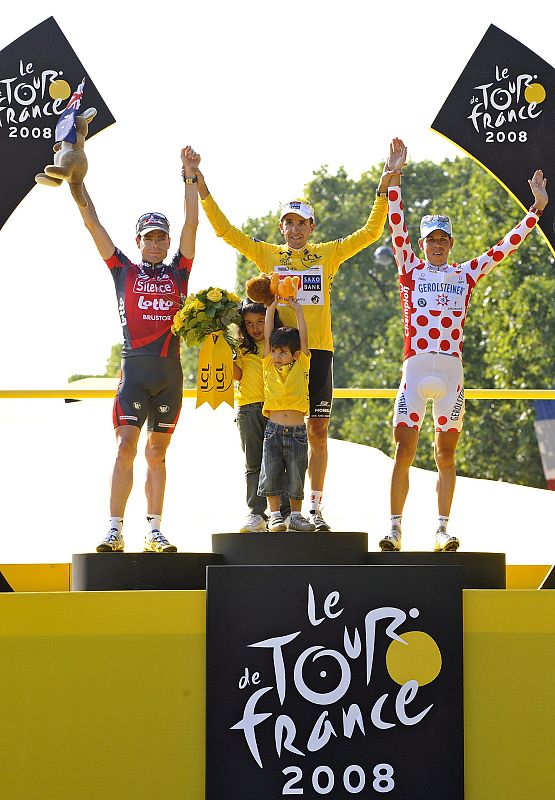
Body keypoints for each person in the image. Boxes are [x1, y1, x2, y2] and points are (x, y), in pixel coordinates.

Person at [193, 151, 392, 531]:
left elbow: (370, 233)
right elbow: (227, 232)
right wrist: (201, 188)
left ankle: (314, 509)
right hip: (280, 356)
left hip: (318, 352)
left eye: (302, 222)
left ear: (312, 227)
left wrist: (383, 186)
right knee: (275, 431)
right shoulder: (269, 254)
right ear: (281, 227)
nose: (295, 229)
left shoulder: (327, 254)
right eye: (289, 222)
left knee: (317, 431)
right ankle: (275, 511)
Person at [380, 138, 548, 553]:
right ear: (422, 244)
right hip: (415, 373)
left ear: (450, 243)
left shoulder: (466, 273)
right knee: (403, 452)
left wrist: (536, 209)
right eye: (430, 239)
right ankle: (395, 528)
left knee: (446, 456)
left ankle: (442, 529)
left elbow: (503, 248)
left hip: (451, 376)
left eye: (442, 239)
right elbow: (395, 222)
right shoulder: (409, 268)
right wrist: (395, 175)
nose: (436, 245)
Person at [72, 146, 201, 553]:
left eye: (162, 236)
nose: (158, 243)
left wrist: (190, 176)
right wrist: (78, 185)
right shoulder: (123, 269)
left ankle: (155, 530)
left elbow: (192, 224)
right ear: (139, 241)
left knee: (157, 453)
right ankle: (114, 528)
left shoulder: (181, 271)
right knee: (126, 445)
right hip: (135, 372)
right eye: (150, 237)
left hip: (170, 373)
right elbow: (93, 225)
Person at [259, 297, 315, 532]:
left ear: (294, 354)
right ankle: (274, 516)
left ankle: (294, 516)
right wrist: (271, 308)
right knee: (270, 472)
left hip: (298, 432)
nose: (277, 356)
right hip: (272, 430)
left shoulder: (302, 363)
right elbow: (267, 334)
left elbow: (303, 339)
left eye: (283, 352)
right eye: (274, 351)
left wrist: (298, 310)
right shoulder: (268, 365)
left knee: (296, 474)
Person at [234, 299, 290, 531]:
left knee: (280, 460)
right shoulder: (240, 346)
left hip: (276, 407)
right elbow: (236, 375)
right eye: (249, 323)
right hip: (248, 408)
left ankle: (286, 513)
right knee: (253, 463)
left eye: (260, 322)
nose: (255, 328)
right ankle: (257, 513)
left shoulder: (277, 343)